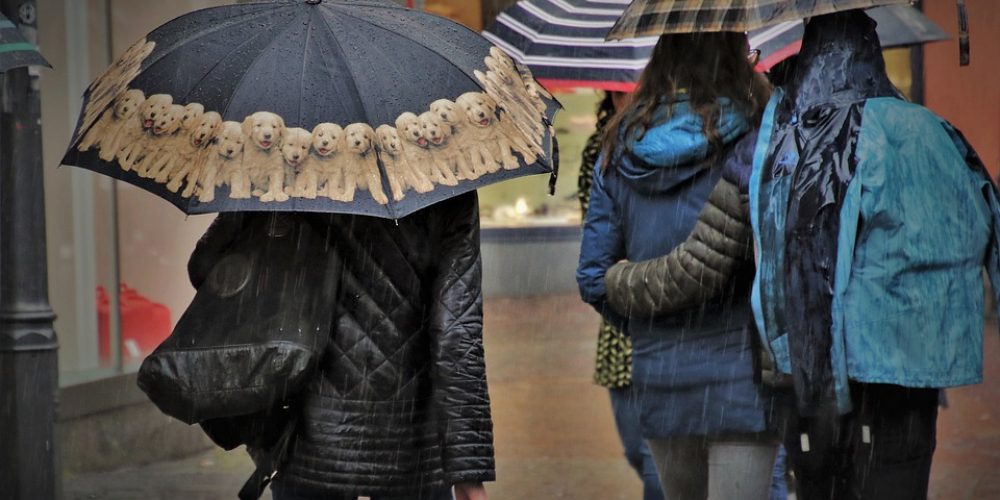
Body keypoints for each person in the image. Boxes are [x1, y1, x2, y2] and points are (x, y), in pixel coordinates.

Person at [749, 10, 1000, 499]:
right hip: (922, 359)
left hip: (850, 366)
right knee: (901, 477)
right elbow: (984, 214)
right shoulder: (933, 129)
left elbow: (801, 263)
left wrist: (798, 375)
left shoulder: (822, 136)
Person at [577, 32, 778, 500]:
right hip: (742, 378)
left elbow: (593, 277)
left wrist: (650, 325)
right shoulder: (759, 136)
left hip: (661, 378)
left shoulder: (619, 148)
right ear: (732, 57)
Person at [187, 193, 493, 500]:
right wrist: (468, 469)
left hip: (306, 433)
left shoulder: (287, 172)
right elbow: (457, 333)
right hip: (409, 444)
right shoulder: (443, 176)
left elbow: (204, 266)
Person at [578, 90, 665, 500]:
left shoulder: (676, 138)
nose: (621, 95)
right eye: (613, 88)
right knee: (636, 448)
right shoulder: (601, 148)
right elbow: (595, 239)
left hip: (666, 305)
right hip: (621, 316)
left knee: (657, 460)